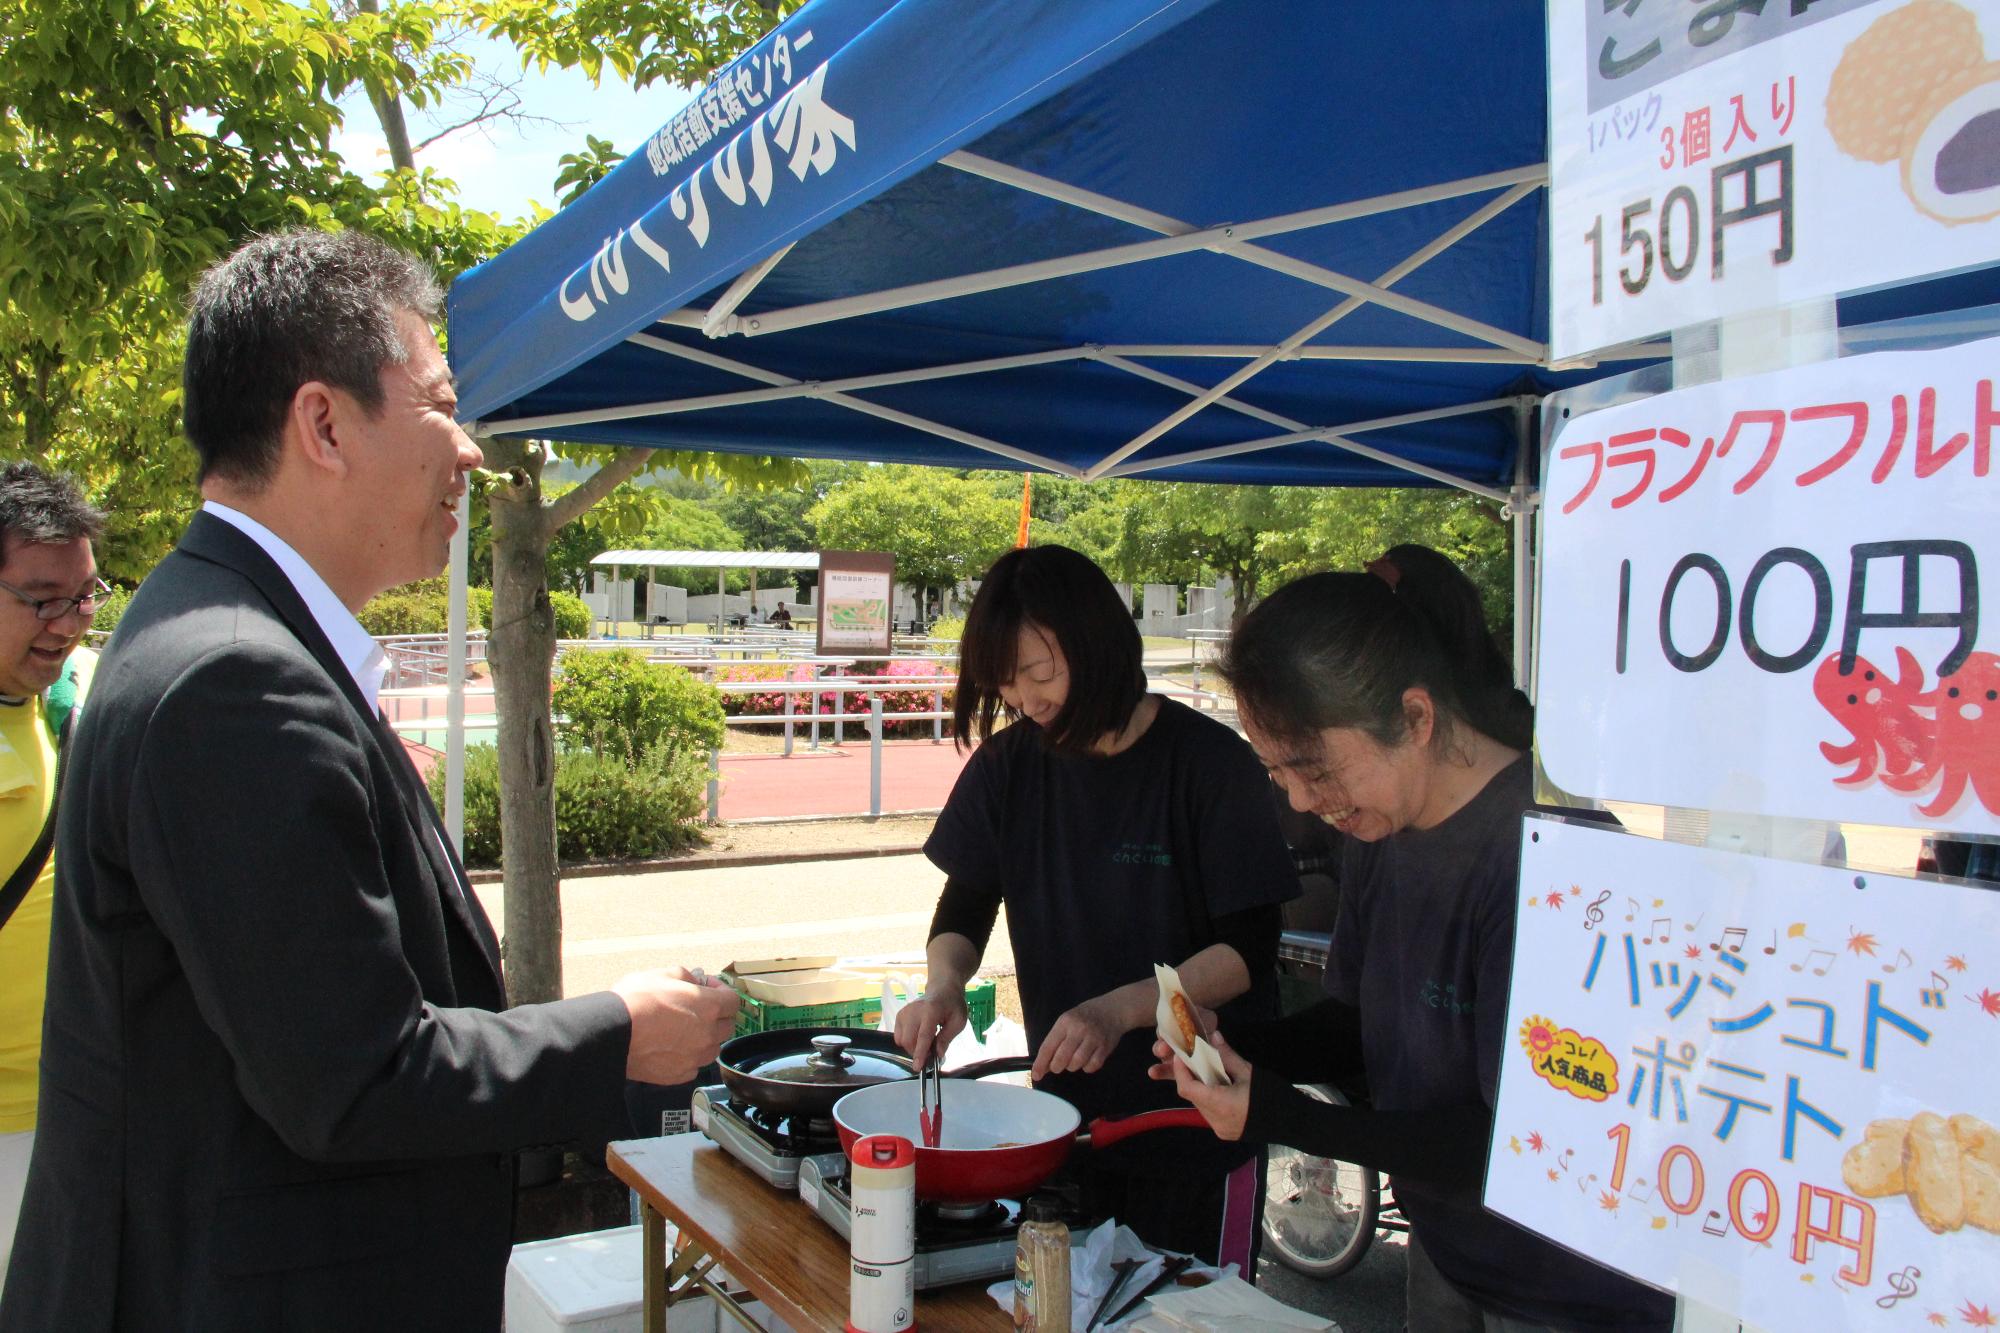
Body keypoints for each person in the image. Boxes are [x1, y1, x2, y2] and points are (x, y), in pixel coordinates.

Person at [0, 229, 739, 1333]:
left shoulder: (210, 621)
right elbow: (353, 1078)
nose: (470, 452)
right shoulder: (234, 678)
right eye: (441, 404)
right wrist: (617, 1032)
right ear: (324, 423)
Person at [1156, 547, 1673, 1332]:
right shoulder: (1380, 828)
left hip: (1573, 1288)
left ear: (1418, 717)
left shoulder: (1556, 862)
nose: (1300, 799)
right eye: (1276, 771)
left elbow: (1516, 1138)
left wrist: (1281, 1113)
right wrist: (1239, 1048)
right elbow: (1361, 1024)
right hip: (1451, 1249)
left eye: (1313, 767)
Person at [894, 544, 1297, 1270]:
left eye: (1041, 673)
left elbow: (1247, 951)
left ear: (1097, 643)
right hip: (1066, 1129)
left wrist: (1119, 1008)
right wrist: (944, 986)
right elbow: (966, 900)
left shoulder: (1208, 766)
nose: (1027, 700)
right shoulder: (1008, 766)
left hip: (1199, 1120)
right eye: (1008, 685)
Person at [0, 463, 104, 1284]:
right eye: (41, 599)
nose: (67, 622)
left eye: (85, 595)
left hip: (71, 1107)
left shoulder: (71, 694)